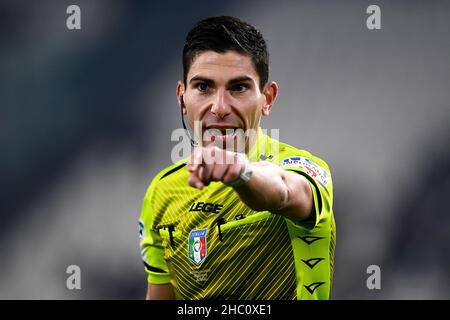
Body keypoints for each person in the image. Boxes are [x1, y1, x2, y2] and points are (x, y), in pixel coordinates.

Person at [138, 16, 335, 300]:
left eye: (238, 88)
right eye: (203, 87)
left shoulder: (304, 170)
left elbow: (283, 191)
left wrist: (241, 172)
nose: (219, 107)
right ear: (182, 98)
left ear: (267, 98)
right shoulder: (162, 193)